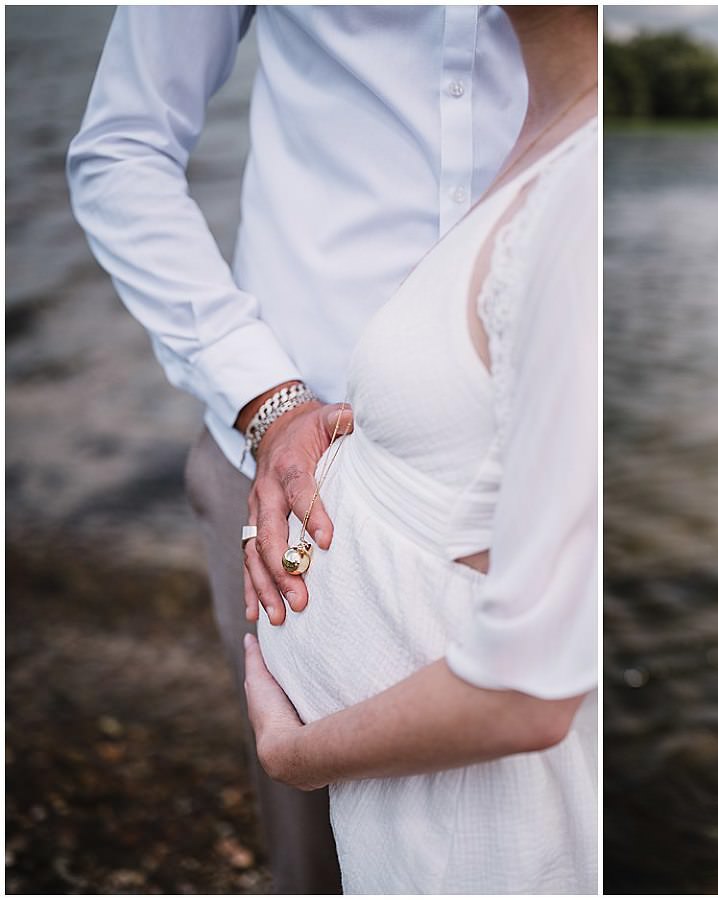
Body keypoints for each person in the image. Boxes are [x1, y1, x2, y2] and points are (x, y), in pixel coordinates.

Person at [67, 6, 526, 892]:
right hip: (291, 478)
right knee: (313, 843)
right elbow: (122, 147)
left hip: (530, 470)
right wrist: (263, 398)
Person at [240, 5, 597, 893]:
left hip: (481, 826)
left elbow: (526, 687)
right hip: (421, 804)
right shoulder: (547, 138)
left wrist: (297, 753)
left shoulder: (577, 194)